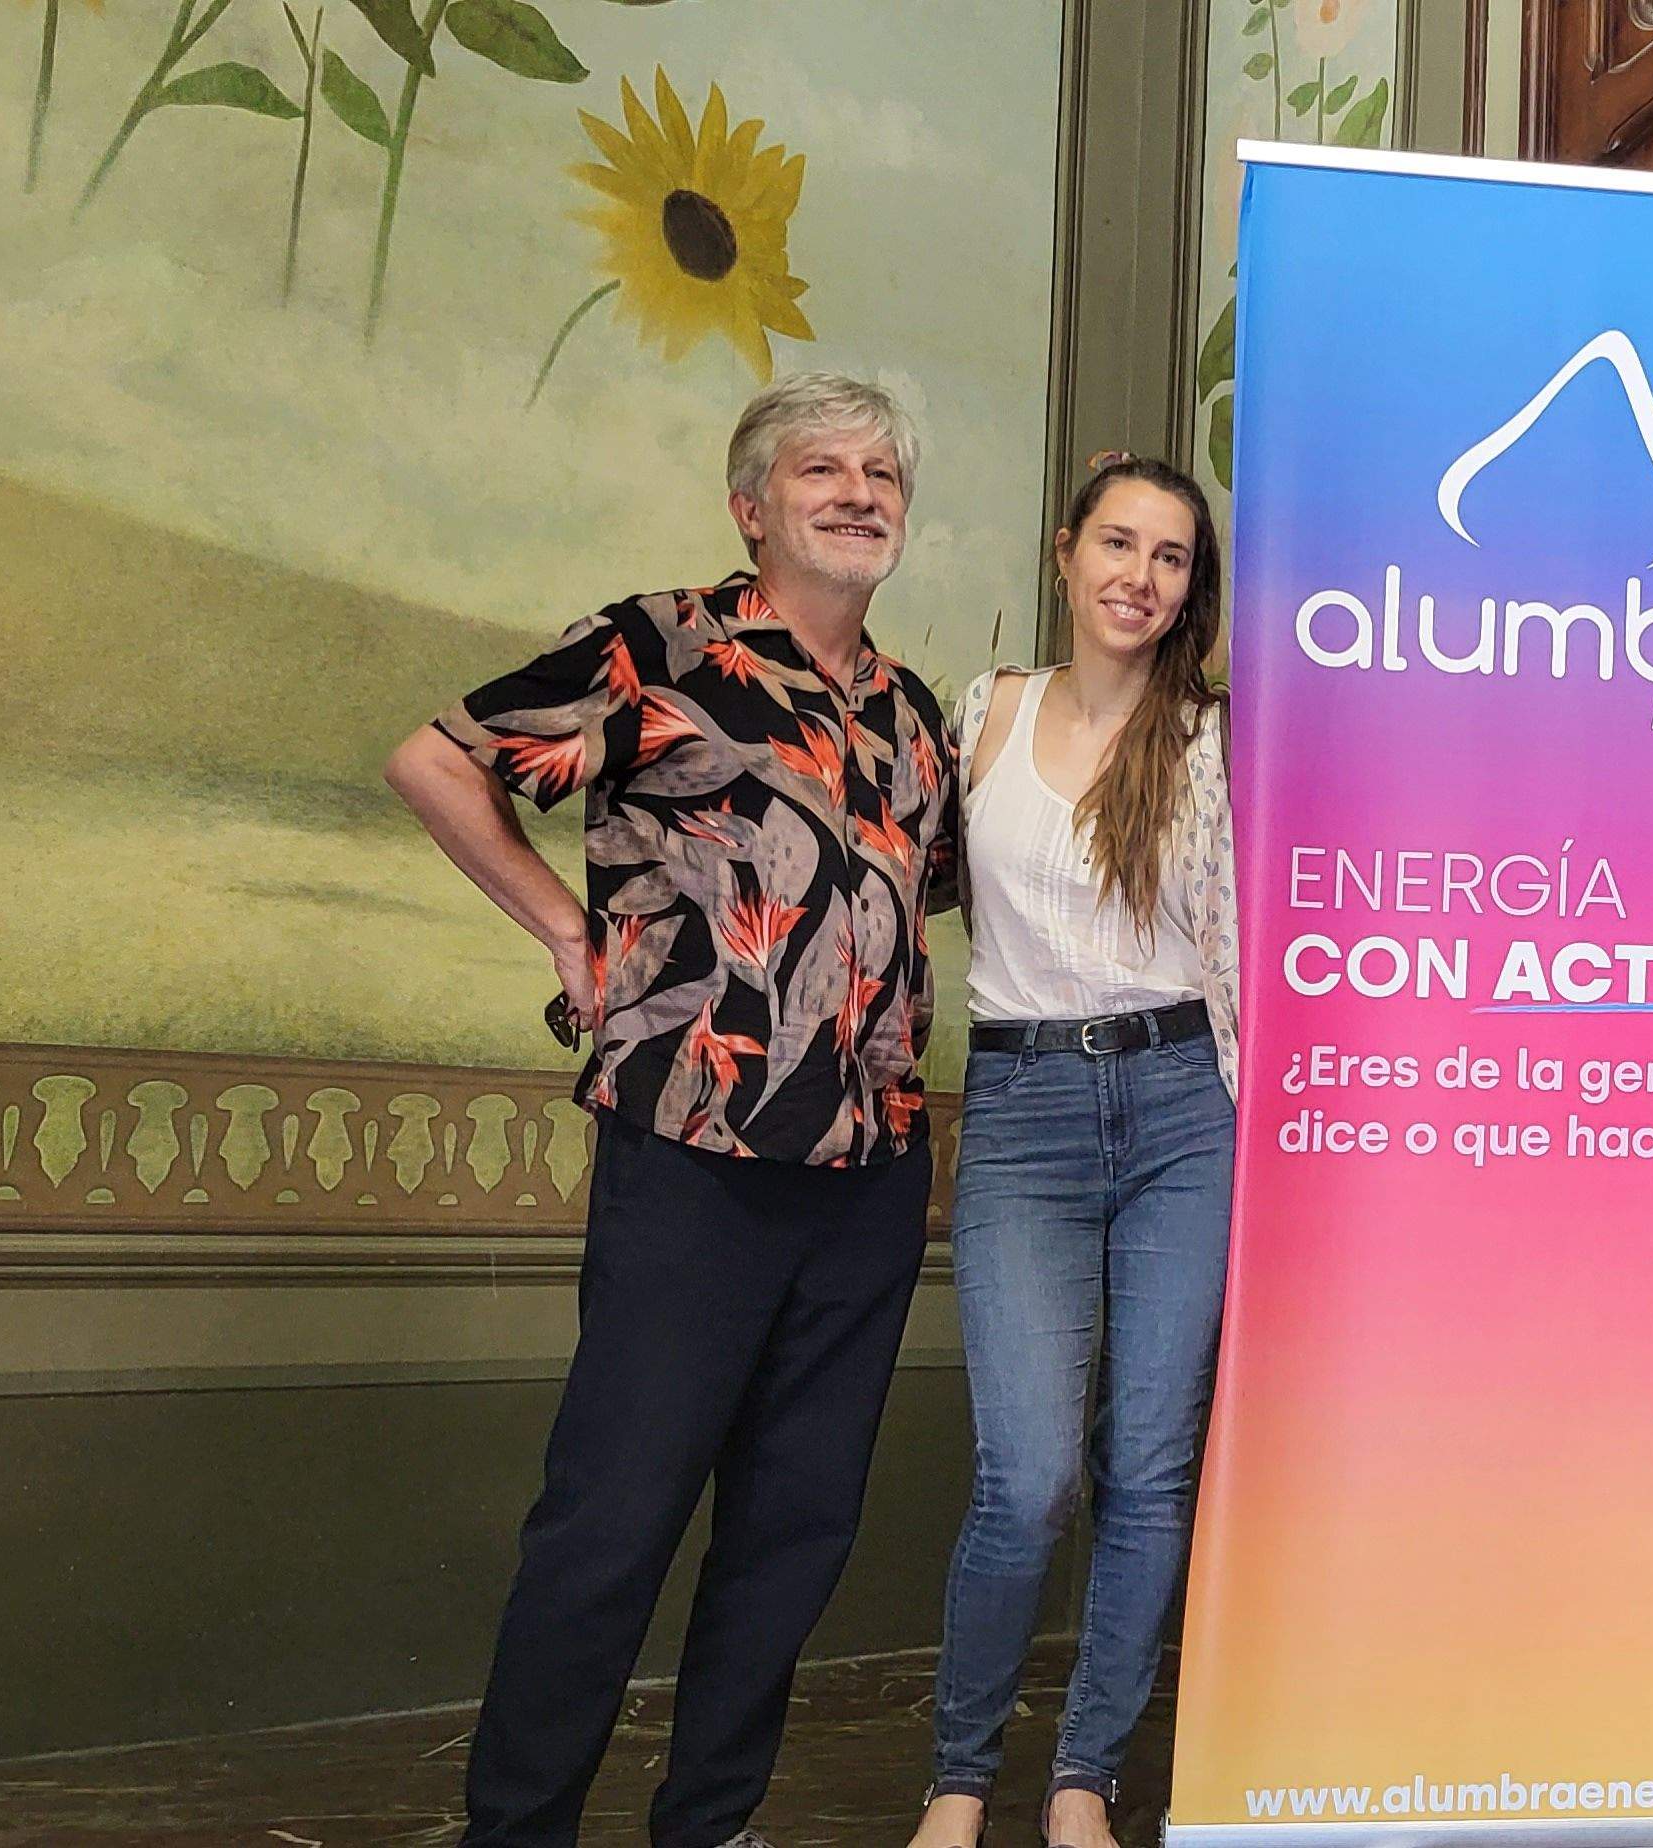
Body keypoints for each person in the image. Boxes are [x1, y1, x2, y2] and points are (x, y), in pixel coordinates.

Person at [384, 373, 962, 1848]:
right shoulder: (659, 645)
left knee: (793, 1534)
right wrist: (565, 939)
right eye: (820, 468)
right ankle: (517, 1827)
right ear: (750, 505)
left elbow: (920, 908)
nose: (857, 490)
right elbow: (437, 762)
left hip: (870, 1175)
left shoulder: (909, 713)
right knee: (614, 1522)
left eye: (881, 472)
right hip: (692, 1156)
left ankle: (710, 1823)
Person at [903, 456, 1237, 1848]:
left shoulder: (1215, 736)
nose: (1139, 576)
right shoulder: (980, 717)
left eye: (1168, 557)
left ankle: (1084, 1780)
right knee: (1029, 1472)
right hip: (1027, 1110)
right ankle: (957, 1782)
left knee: (1149, 1469)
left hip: (1181, 1106)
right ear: (1064, 552)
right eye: (1118, 543)